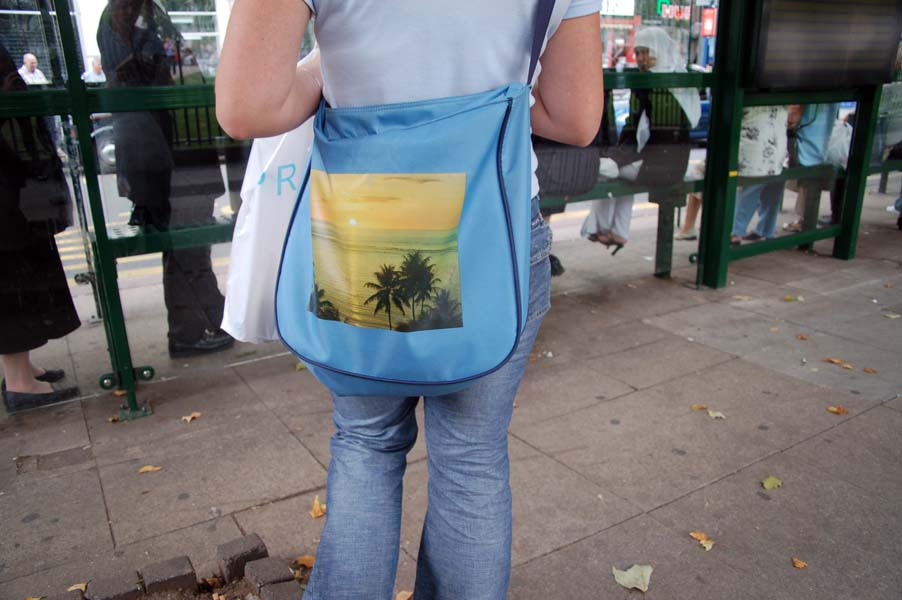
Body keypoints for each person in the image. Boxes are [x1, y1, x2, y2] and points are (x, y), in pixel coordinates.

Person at [216, 1, 603, 598]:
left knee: (366, 444)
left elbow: (249, 106)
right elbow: (575, 119)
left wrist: (321, 73)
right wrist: (482, 99)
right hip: (491, 229)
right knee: (472, 458)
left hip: (370, 224)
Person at [97, 0, 234, 358]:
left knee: (188, 248)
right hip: (172, 161)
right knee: (187, 249)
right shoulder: (134, 23)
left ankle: (210, 319)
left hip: (171, 159)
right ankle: (190, 330)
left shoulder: (141, 20)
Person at [1, 43, 80, 413]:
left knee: (19, 273)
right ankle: (19, 381)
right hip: (8, 192)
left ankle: (20, 368)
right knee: (12, 277)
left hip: (12, 189)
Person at [582, 26, 700, 255]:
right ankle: (619, 231)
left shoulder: (648, 85)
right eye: (639, 53)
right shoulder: (679, 80)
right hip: (675, 165)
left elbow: (634, 132)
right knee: (624, 176)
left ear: (659, 51)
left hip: (656, 167)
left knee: (605, 169)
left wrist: (615, 157)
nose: (642, 59)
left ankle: (596, 227)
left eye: (647, 52)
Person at [783, 103, 840, 232]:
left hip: (806, 139)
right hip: (819, 140)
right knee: (810, 179)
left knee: (805, 181)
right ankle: (806, 221)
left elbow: (794, 114)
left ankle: (805, 222)